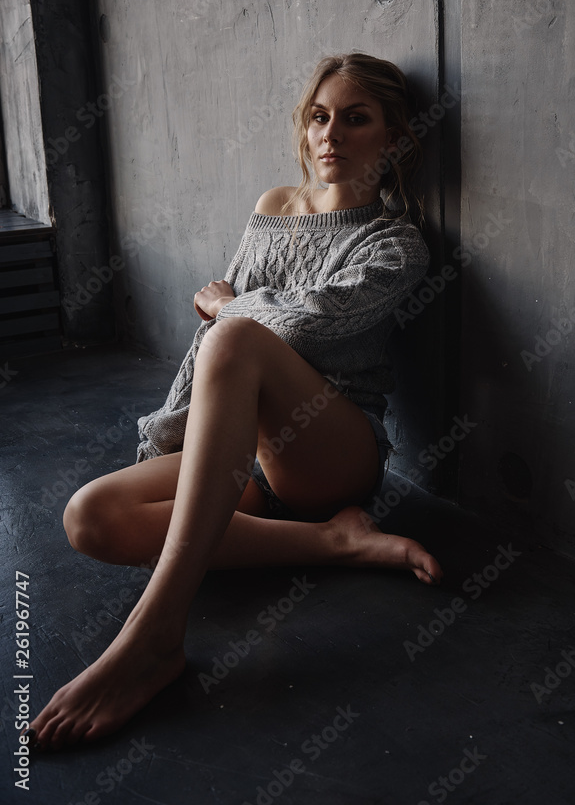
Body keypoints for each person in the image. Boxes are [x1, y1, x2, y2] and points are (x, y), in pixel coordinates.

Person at [25, 52, 443, 751]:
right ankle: (333, 543)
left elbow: (292, 322)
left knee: (237, 336)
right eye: (319, 117)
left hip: (329, 453)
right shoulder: (273, 207)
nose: (330, 134)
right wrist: (177, 431)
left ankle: (154, 636)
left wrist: (225, 304)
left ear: (395, 138)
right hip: (244, 454)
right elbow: (222, 336)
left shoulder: (396, 245)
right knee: (89, 517)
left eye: (355, 119)